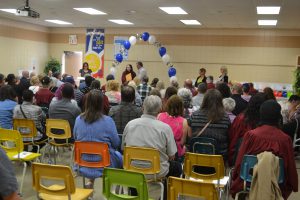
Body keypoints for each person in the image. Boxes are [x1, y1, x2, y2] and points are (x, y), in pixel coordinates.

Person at [230, 100, 298, 199]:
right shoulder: (285, 139)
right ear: (278, 117)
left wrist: (235, 176)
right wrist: (293, 184)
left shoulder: (251, 135)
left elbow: (240, 162)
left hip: (249, 182)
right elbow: (290, 167)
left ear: (261, 115)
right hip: (276, 185)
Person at [122, 95, 182, 179]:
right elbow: (172, 155)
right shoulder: (165, 128)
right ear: (160, 109)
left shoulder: (130, 125)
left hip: (132, 169)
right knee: (177, 167)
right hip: (156, 172)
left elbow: (123, 148)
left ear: (143, 108)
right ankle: (166, 191)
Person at [74, 89, 122, 188]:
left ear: (86, 102)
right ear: (101, 104)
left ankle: (90, 182)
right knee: (118, 156)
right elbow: (116, 143)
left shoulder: (78, 119)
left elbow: (76, 138)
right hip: (105, 164)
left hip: (82, 163)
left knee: (93, 147)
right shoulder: (108, 121)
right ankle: (113, 189)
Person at [228, 93, 267, 166]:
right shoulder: (265, 122)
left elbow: (233, 140)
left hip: (241, 161)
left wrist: (232, 161)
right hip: (261, 164)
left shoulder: (241, 119)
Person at [190, 89, 230, 158]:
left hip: (197, 155)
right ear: (220, 101)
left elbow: (190, 135)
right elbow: (228, 136)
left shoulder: (194, 115)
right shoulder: (225, 117)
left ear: (205, 100)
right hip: (218, 157)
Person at [158, 95, 191, 160]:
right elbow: (182, 142)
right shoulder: (184, 122)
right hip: (176, 154)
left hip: (161, 151)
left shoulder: (159, 116)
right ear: (181, 107)